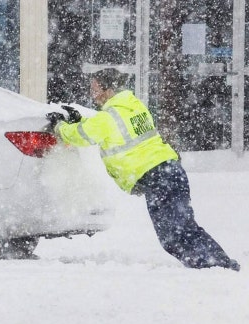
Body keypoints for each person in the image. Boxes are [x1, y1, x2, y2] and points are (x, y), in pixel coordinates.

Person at [49, 68, 240, 271]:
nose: (91, 93)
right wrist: (81, 120)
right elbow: (103, 126)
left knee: (173, 237)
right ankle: (219, 265)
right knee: (184, 228)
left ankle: (215, 267)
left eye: (94, 88)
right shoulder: (133, 106)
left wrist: (59, 127)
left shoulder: (108, 117)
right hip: (171, 171)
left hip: (158, 178)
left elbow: (81, 135)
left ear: (107, 90)